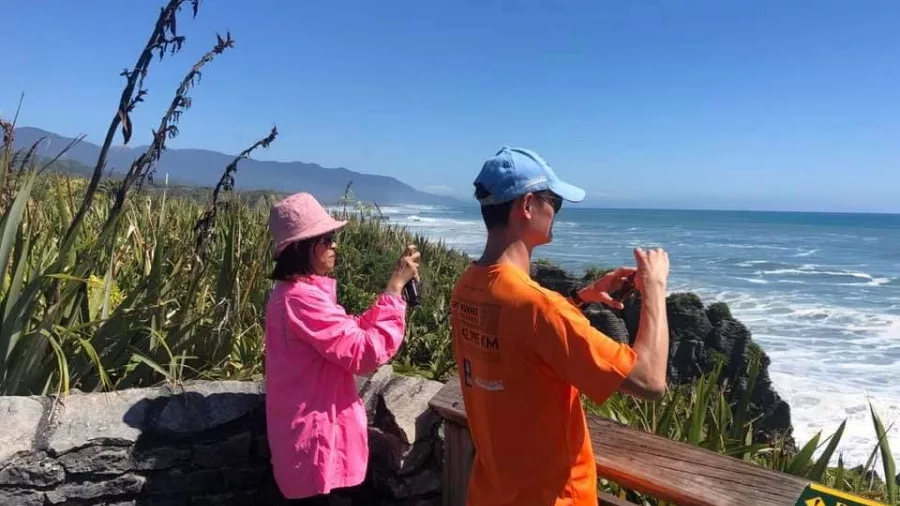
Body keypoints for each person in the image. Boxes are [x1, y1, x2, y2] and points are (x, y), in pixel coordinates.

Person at [449, 147, 670, 506]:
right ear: (527, 205)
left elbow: (520, 340)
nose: (556, 214)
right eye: (555, 203)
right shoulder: (538, 308)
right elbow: (649, 381)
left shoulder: (466, 287)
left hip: (491, 494)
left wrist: (581, 298)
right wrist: (656, 288)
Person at [264, 192, 421, 505]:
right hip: (318, 450)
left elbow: (348, 331)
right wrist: (393, 291)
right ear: (301, 248)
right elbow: (363, 353)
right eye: (327, 238)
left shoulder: (295, 294)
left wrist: (392, 293)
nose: (335, 245)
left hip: (312, 445)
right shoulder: (301, 300)